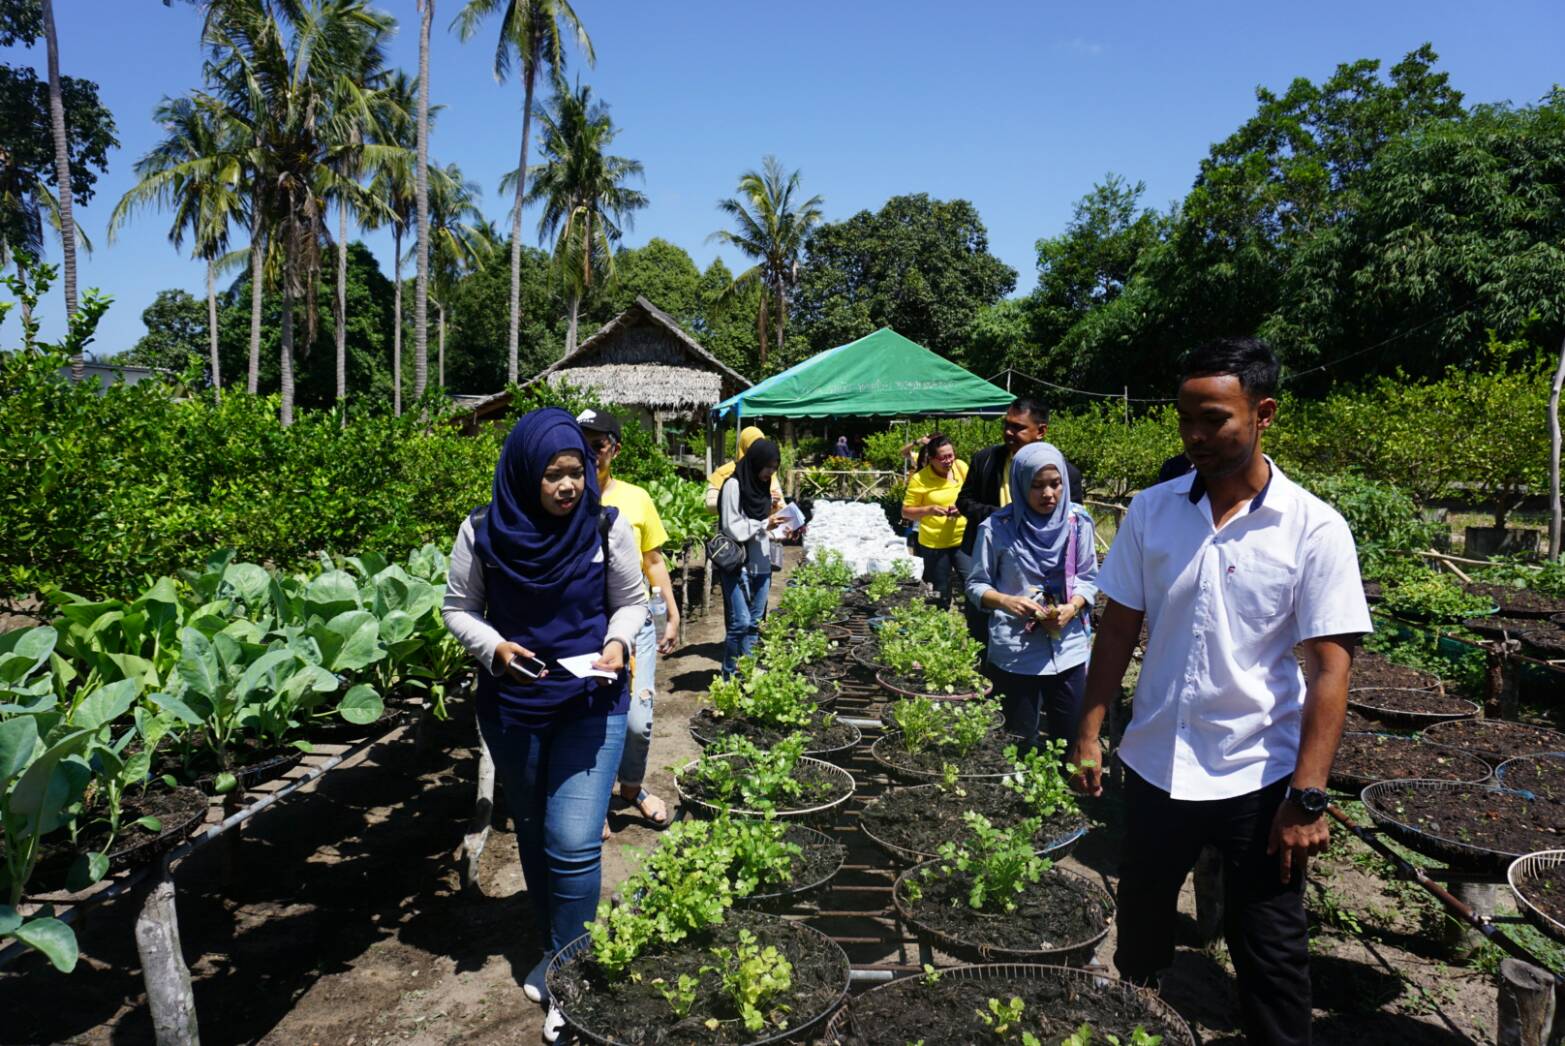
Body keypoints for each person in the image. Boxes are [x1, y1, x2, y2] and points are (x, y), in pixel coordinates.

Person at [1068, 338, 1371, 1046]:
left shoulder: (1313, 528)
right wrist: (1087, 732)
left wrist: (1308, 794)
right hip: (1155, 766)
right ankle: (1137, 1029)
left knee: (1269, 948)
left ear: (1262, 413)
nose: (1195, 436)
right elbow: (1116, 631)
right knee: (1140, 926)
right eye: (1184, 421)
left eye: (1213, 419)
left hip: (1255, 778)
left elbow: (1331, 668)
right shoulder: (1152, 511)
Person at [441, 407, 647, 1043]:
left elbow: (632, 600)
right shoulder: (482, 531)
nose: (568, 486)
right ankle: (557, 942)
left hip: (592, 700)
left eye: (577, 472)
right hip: (514, 709)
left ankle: (570, 974)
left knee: (574, 838)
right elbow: (457, 608)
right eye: (554, 475)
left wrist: (617, 642)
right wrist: (496, 649)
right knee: (532, 833)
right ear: (525, 472)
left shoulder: (605, 527)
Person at [576, 409, 678, 837]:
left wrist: (672, 612)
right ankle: (594, 798)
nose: (589, 452)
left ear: (615, 449)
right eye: (581, 442)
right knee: (588, 717)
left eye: (598, 444)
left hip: (635, 620)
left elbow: (653, 560)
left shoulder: (635, 498)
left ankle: (631, 786)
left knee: (638, 717)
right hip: (584, 625)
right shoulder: (560, 498)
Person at [966, 442, 1098, 750]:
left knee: (1070, 739)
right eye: (1037, 486)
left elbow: (1089, 578)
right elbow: (976, 585)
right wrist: (1005, 601)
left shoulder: (1077, 523)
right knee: (1019, 741)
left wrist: (1073, 605)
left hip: (1068, 647)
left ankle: (1069, 795)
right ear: (1020, 485)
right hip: (1017, 650)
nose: (1048, 494)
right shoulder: (997, 528)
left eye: (1055, 484)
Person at [956, 398, 1085, 644]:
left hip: (1036, 571)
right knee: (981, 624)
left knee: (1036, 628)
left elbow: (1072, 523)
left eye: (1017, 427)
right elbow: (964, 501)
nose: (1008, 432)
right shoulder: (986, 460)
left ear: (1042, 431)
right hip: (988, 555)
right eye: (1006, 425)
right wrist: (1000, 519)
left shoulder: (1064, 474)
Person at [717, 438, 783, 677]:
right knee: (741, 623)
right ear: (755, 462)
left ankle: (748, 676)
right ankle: (729, 678)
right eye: (768, 466)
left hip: (762, 563)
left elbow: (760, 525)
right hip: (738, 564)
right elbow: (731, 526)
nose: (770, 472)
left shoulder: (761, 487)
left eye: (775, 468)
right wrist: (765, 522)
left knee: (755, 624)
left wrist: (779, 522)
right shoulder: (733, 485)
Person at [901, 434, 970, 607]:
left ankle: (974, 625)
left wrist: (962, 507)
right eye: (943, 457)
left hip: (963, 539)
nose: (949, 461)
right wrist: (929, 510)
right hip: (935, 545)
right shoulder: (920, 479)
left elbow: (973, 494)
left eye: (951, 455)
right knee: (941, 591)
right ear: (931, 459)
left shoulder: (961, 467)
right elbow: (906, 512)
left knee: (972, 584)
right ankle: (940, 625)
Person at [706, 425, 784, 512]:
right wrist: (756, 501)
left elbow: (781, 505)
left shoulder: (767, 473)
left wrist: (774, 502)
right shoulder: (724, 473)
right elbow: (711, 504)